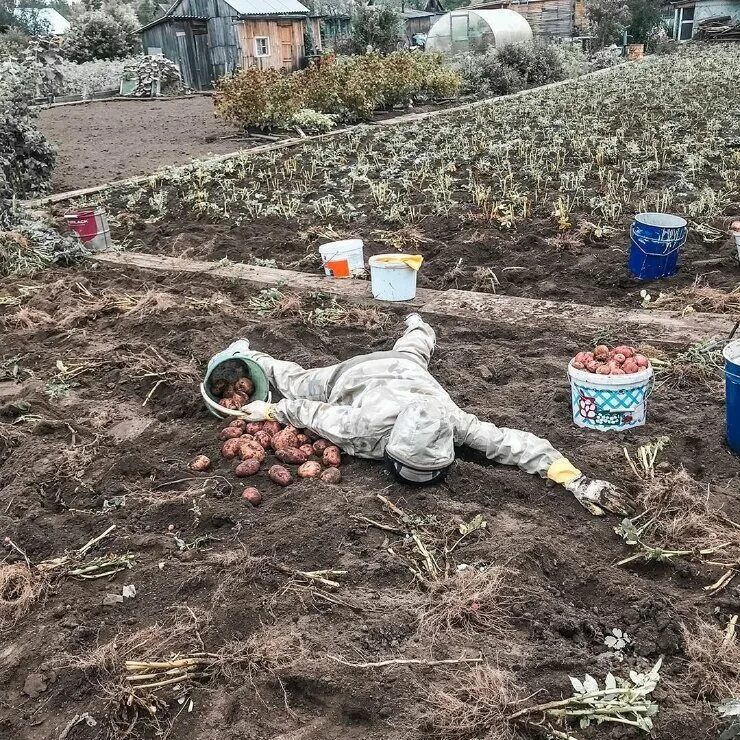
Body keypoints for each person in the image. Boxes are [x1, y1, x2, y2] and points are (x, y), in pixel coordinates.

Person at [230, 314, 631, 516]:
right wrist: (273, 408)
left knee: (417, 347)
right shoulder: (361, 428)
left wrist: (576, 480)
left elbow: (517, 445)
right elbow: (313, 413)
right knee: (297, 380)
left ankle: (419, 322)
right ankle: (248, 356)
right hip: (353, 375)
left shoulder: (450, 420)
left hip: (407, 370)